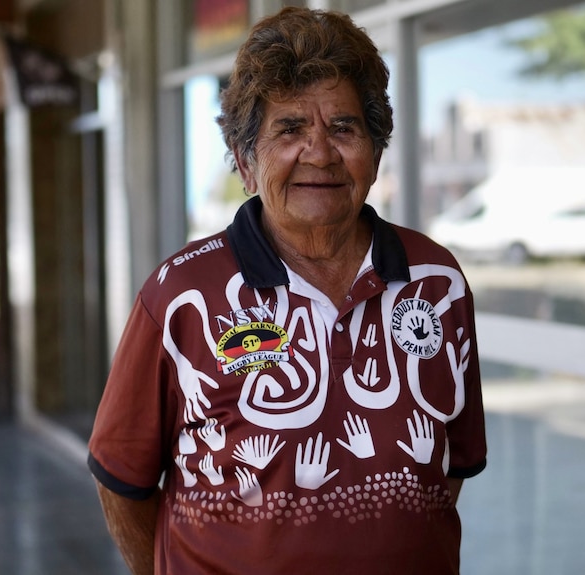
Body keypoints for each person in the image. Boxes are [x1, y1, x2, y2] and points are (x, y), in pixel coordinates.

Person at [88, 7, 486, 574]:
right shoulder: (182, 294)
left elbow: (446, 470)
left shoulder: (437, 282)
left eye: (343, 127)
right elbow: (120, 478)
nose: (319, 152)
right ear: (247, 162)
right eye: (290, 128)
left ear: (374, 152)